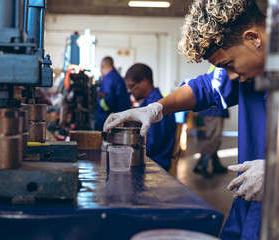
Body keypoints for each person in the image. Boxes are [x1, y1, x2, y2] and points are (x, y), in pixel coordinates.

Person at [103, 1, 266, 239]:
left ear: (253, 38)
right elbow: (208, 87)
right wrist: (155, 107)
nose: (230, 75)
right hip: (248, 215)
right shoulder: (251, 69)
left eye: (228, 65)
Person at [125, 63, 177, 171]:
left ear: (144, 82)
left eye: (131, 86)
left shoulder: (156, 106)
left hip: (154, 165)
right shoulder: (148, 103)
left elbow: (151, 146)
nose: (129, 91)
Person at [95, 56, 131, 131]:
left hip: (108, 120)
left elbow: (107, 102)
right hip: (122, 118)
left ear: (102, 66)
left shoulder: (108, 79)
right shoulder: (119, 77)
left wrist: (97, 100)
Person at [193, 106, 229, 178]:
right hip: (213, 110)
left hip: (213, 109)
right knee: (213, 140)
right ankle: (202, 166)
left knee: (214, 140)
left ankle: (216, 165)